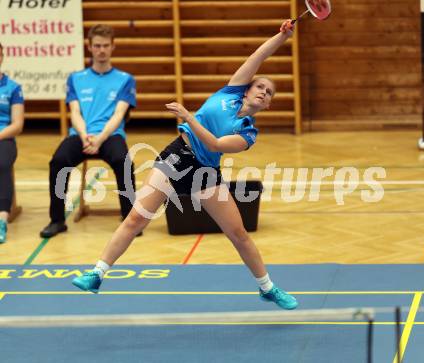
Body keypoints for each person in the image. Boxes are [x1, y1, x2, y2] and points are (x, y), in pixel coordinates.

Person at [72, 20, 298, 310]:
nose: (264, 92)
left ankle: (267, 288)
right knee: (136, 218)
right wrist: (282, 36)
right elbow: (258, 56)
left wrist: (189, 117)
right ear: (247, 88)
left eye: (269, 93)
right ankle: (97, 273)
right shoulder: (230, 92)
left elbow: (216, 145)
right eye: (260, 86)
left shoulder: (248, 132)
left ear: (268, 105)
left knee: (238, 234)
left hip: (205, 172)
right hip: (177, 156)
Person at [40, 25, 137, 238]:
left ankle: (130, 219)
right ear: (89, 47)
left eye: (105, 46)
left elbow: (119, 114)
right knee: (58, 161)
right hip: (81, 135)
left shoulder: (125, 79)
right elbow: (74, 111)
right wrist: (84, 136)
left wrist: (100, 139)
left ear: (113, 47)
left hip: (110, 136)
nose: (101, 50)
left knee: (124, 161)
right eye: (97, 46)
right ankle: (57, 221)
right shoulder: (75, 78)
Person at [0, 42, 25, 244]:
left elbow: (17, 125)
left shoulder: (13, 88)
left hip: (4, 137)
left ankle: (2, 219)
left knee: (2, 164)